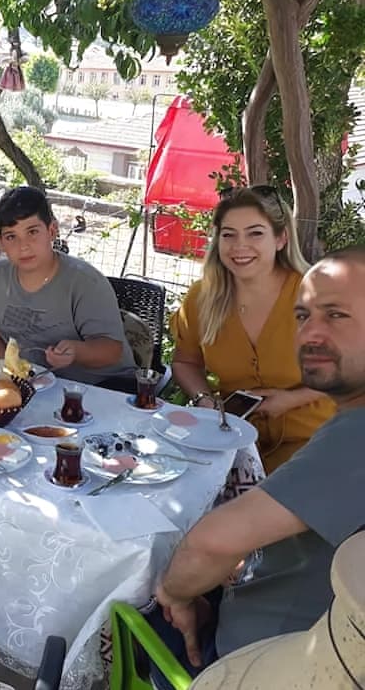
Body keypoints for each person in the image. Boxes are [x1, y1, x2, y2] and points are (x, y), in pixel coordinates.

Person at [151, 246, 365, 686]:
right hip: (309, 629)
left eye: (336, 315)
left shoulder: (355, 437)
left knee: (130, 602)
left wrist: (174, 595)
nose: (311, 333)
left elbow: (211, 543)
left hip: (265, 659)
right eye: (303, 316)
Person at [170, 186, 334, 473]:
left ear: (281, 238)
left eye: (255, 233)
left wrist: (292, 399)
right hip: (232, 438)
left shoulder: (319, 294)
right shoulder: (201, 298)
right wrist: (204, 400)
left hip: (316, 439)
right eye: (228, 234)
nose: (239, 246)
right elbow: (185, 362)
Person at [0, 185, 136, 387]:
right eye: (11, 236)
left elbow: (112, 351)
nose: (23, 246)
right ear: (1, 242)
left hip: (99, 387)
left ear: (52, 231)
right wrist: (16, 374)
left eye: (32, 232)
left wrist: (76, 351)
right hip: (30, 386)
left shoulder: (86, 283)